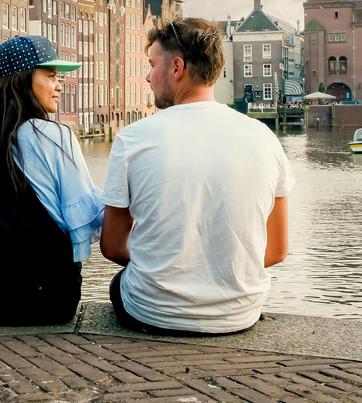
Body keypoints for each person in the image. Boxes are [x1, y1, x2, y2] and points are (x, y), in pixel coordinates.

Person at [101, 17, 294, 335]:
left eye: (151, 65)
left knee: (119, 284)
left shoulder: (133, 138)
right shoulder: (264, 137)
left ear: (176, 68)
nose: (147, 77)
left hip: (153, 313)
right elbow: (276, 251)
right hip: (238, 314)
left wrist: (168, 262)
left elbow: (112, 246)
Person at [0, 35, 105, 326]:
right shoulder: (57, 137)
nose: (59, 85)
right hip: (47, 299)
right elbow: (83, 224)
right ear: (24, 81)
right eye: (51, 76)